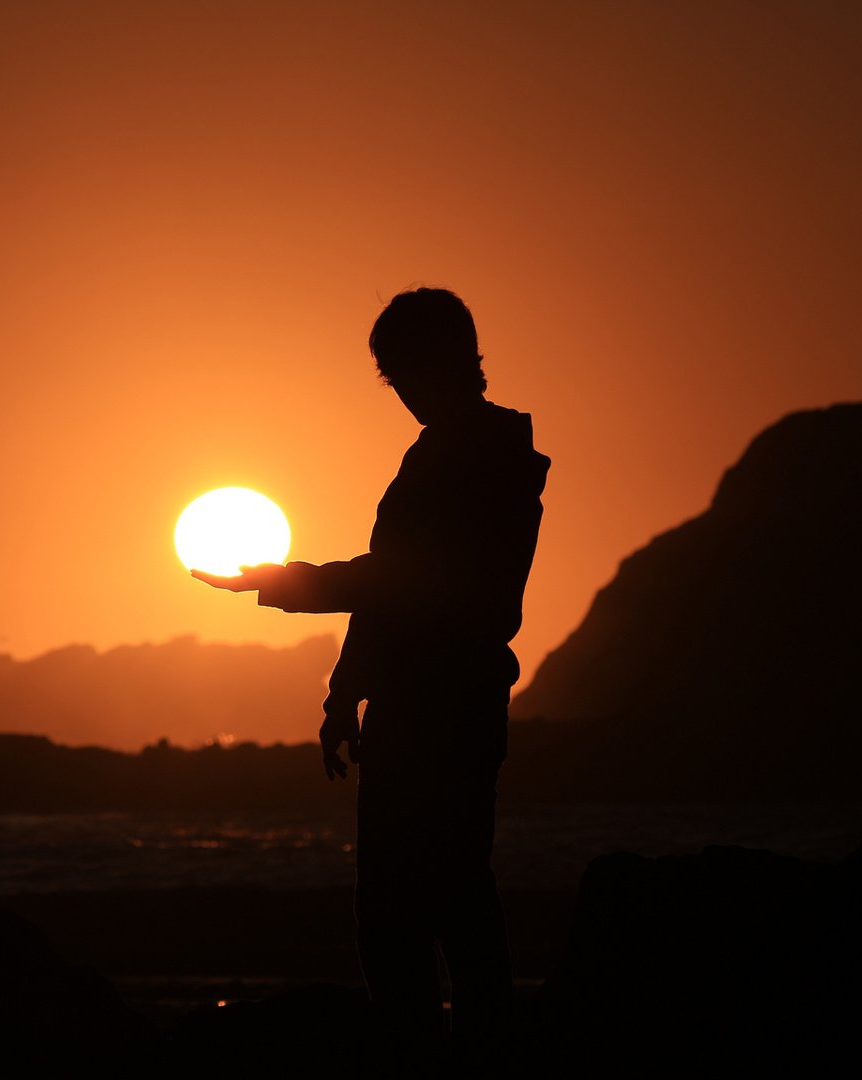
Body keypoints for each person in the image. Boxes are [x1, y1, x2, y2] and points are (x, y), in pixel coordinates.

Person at [193, 287, 549, 1061]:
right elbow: (394, 585)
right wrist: (344, 688)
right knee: (419, 903)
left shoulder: (485, 459)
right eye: (393, 377)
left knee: (430, 903)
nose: (404, 391)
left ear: (449, 360)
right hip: (416, 707)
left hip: (447, 710)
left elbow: (404, 584)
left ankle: (453, 1054)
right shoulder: (447, 454)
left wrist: (280, 583)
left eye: (405, 371)